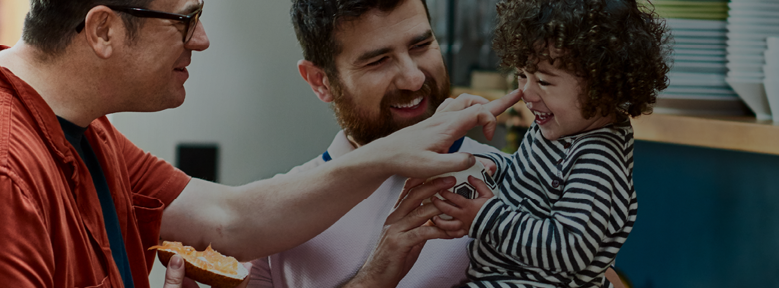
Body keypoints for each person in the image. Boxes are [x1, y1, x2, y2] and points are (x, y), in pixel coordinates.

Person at [0, 0, 517, 287]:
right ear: (104, 29)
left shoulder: (85, 130)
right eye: (186, 19)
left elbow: (229, 219)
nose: (201, 41)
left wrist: (401, 149)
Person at [246, 0, 628, 287]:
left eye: (421, 45)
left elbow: (585, 266)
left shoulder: (521, 181)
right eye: (378, 61)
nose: (413, 78)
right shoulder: (265, 218)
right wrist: (373, 278)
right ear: (319, 81)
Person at [429, 0, 669, 286]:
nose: (526, 93)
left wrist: (484, 218)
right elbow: (530, 181)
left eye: (543, 81)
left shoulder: (598, 161)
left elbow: (568, 248)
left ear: (601, 86)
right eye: (522, 75)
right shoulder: (557, 128)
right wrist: (497, 167)